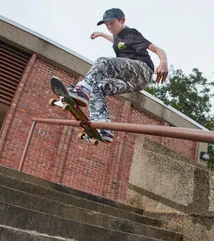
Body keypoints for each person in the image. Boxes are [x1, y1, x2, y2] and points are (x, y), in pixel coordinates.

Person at [68, 8, 168, 143]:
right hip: (131, 81)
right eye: (106, 25)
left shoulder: (131, 33)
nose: (109, 27)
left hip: (142, 70)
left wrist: (163, 61)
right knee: (97, 87)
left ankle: (83, 90)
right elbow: (116, 41)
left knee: (103, 62)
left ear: (122, 20)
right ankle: (102, 126)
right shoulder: (117, 37)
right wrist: (102, 34)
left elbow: (157, 49)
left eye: (112, 23)